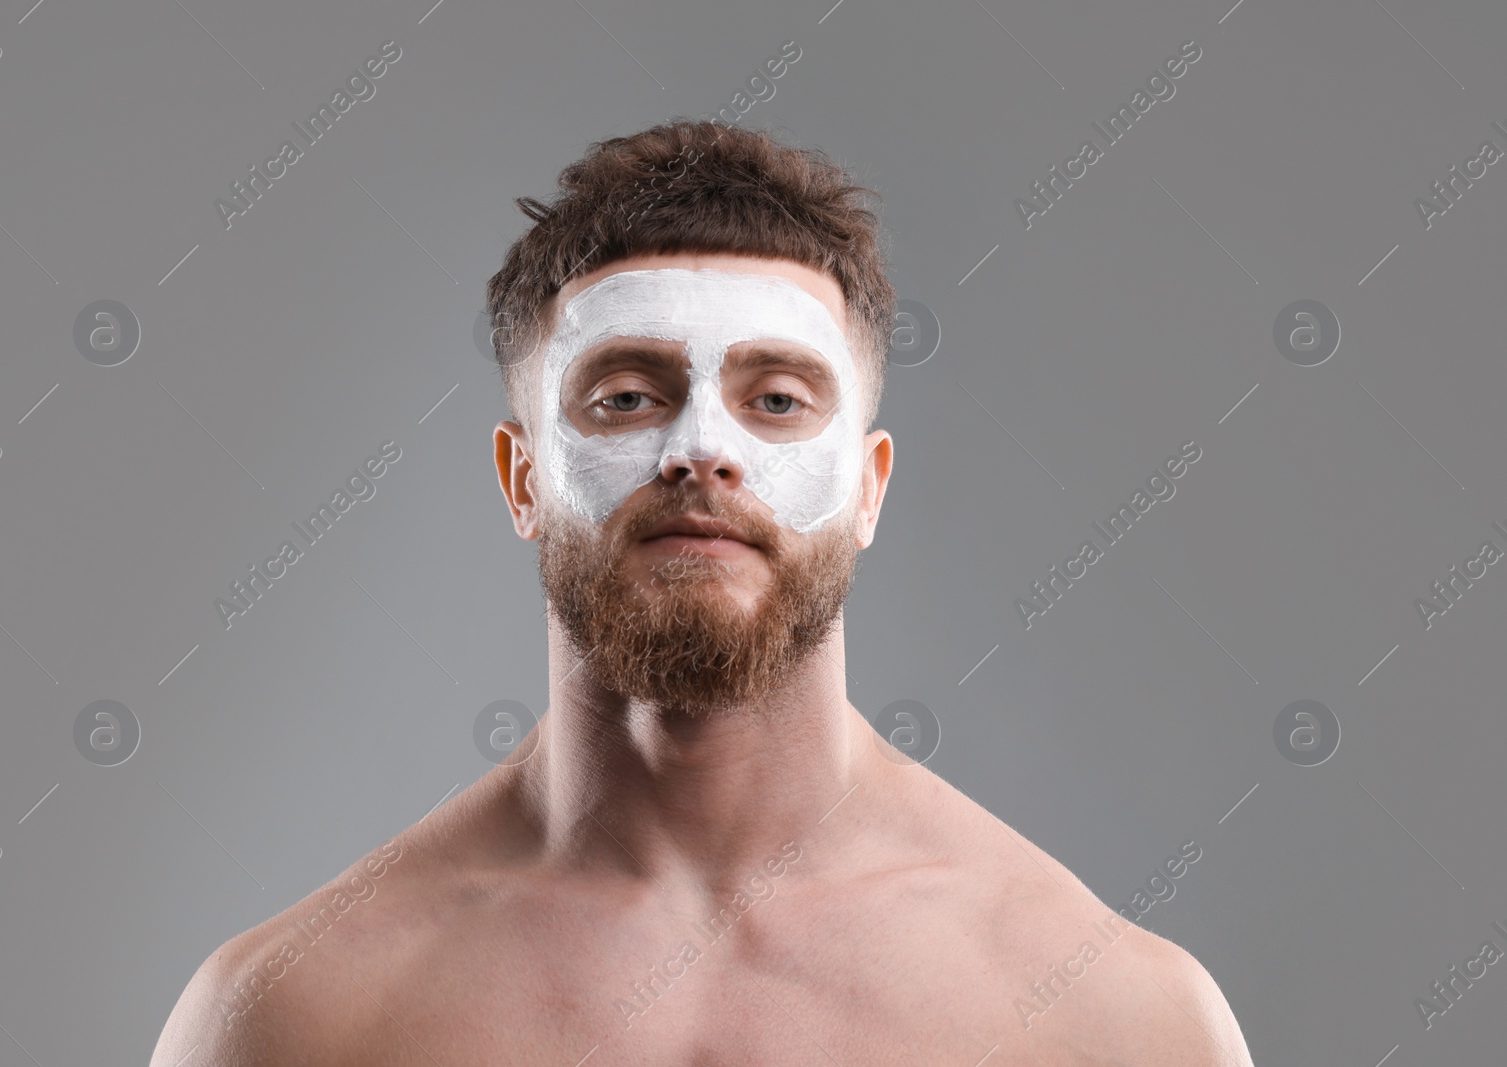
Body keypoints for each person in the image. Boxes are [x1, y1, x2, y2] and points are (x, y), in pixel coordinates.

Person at [150, 118, 1254, 1066]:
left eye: (775, 399)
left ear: (868, 489)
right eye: (628, 395)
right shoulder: (300, 1014)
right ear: (523, 477)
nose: (699, 450)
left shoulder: (1108, 1016)